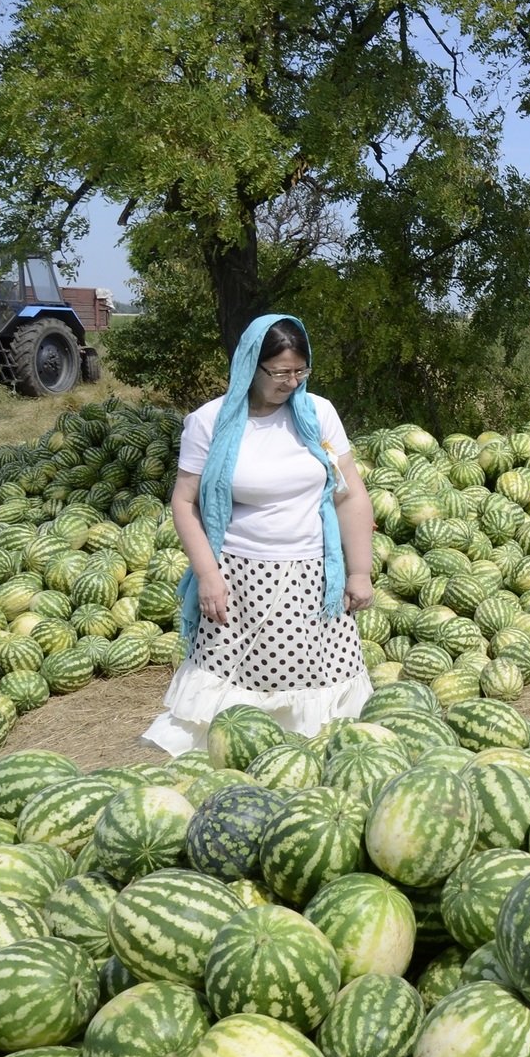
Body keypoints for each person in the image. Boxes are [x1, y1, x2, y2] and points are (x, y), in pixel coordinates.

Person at [142, 314, 376, 754]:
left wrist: (359, 571)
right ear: (251, 365)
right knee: (246, 684)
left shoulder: (318, 413)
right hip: (241, 578)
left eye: (300, 371)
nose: (291, 382)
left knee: (315, 680)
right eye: (280, 372)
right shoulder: (209, 421)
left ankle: (307, 757)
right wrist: (208, 575)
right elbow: (184, 502)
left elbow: (351, 495)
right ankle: (240, 753)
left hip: (313, 576)